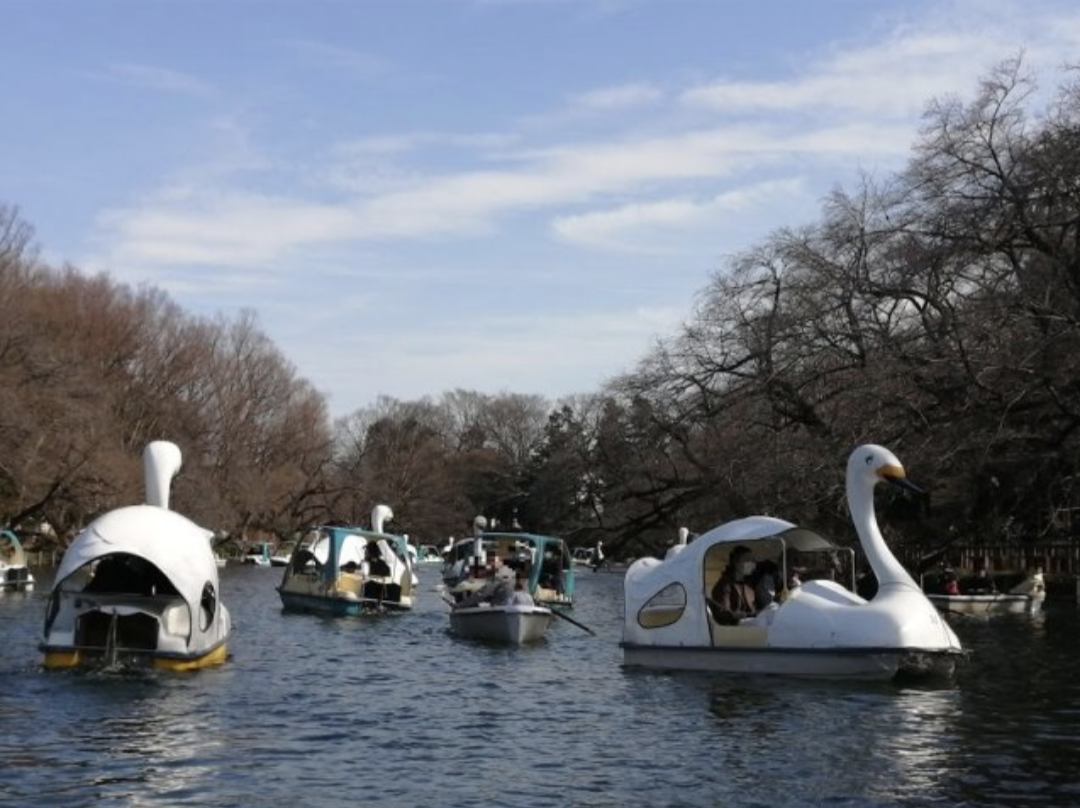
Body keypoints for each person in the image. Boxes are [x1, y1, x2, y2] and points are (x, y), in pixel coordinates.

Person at [709, 545, 757, 625]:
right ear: (736, 562)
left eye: (752, 560)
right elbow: (723, 612)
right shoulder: (724, 585)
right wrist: (734, 615)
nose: (751, 563)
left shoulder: (749, 585)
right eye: (747, 560)